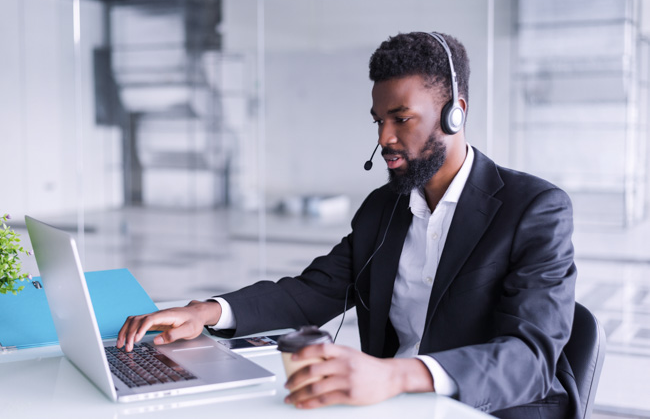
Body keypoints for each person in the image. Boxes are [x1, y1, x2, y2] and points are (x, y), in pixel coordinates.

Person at [117, 31, 578, 419]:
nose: (384, 139)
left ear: (454, 112)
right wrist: (208, 312)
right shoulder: (384, 206)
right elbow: (313, 292)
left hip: (482, 408)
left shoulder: (534, 208)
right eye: (379, 121)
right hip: (389, 402)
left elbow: (530, 360)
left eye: (401, 118)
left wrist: (395, 374)